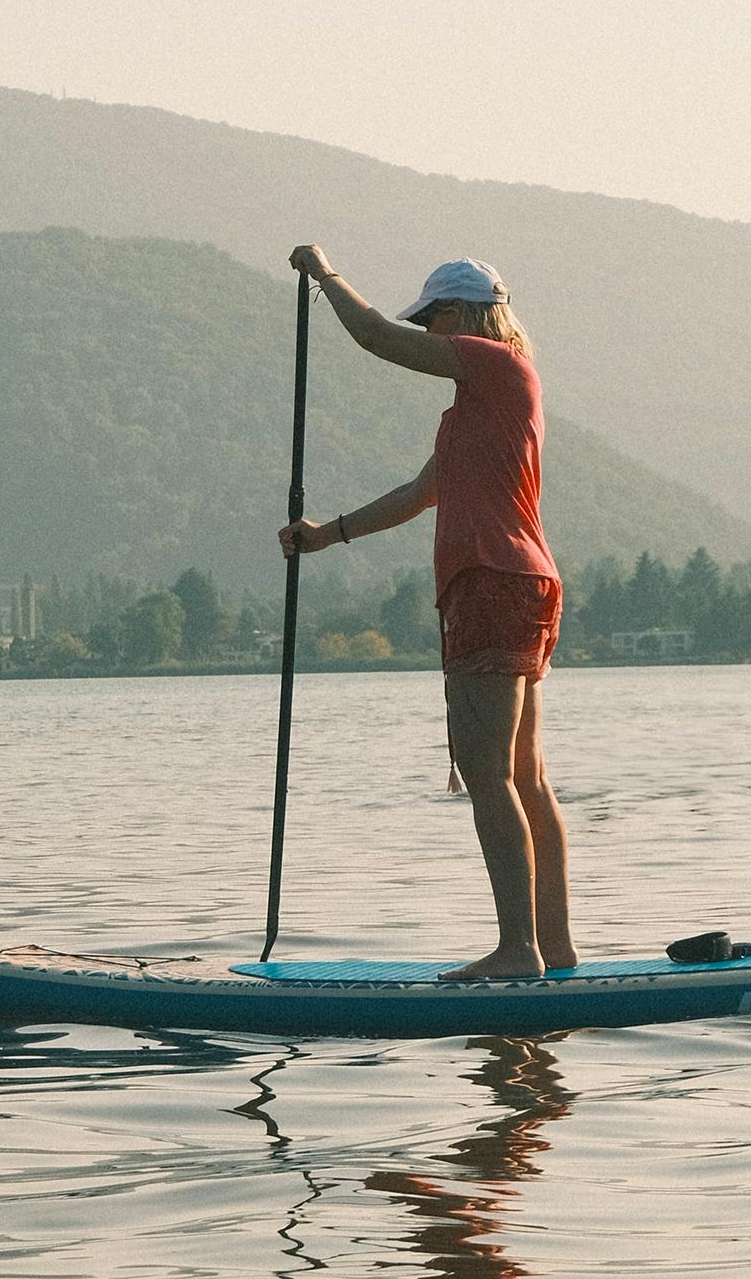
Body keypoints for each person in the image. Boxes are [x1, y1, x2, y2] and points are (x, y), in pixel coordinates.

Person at [277, 245, 574, 981]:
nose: (430, 334)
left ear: (466, 315)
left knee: (489, 773)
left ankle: (520, 950)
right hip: (521, 581)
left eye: (435, 319)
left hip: (489, 581)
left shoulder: (497, 364)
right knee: (524, 775)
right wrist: (326, 535)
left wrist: (324, 275)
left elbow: (376, 337)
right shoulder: (478, 412)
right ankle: (552, 948)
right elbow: (418, 496)